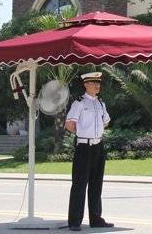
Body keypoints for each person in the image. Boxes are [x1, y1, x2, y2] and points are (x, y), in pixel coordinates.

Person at [65, 72, 114, 230]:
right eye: (93, 82)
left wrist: (96, 131)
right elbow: (70, 124)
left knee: (96, 184)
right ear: (86, 84)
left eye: (98, 82)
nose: (97, 85)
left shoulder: (100, 103)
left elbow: (106, 121)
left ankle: (96, 219)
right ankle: (74, 222)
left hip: (98, 147)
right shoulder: (79, 103)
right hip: (84, 148)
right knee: (79, 185)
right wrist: (84, 133)